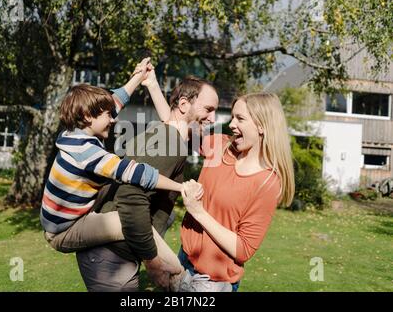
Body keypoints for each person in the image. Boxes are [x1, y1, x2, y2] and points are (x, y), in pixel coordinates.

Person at [75, 71, 222, 292]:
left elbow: (170, 119)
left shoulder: (162, 132)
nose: (213, 119)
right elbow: (131, 198)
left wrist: (153, 85)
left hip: (109, 252)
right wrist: (152, 263)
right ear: (184, 104)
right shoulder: (171, 144)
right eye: (208, 110)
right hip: (111, 257)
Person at [40, 58, 201, 252]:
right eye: (108, 115)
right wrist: (180, 187)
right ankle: (174, 274)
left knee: (150, 218)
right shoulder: (88, 153)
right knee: (131, 223)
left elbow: (116, 100)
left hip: (63, 220)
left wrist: (140, 77)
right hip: (64, 232)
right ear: (87, 116)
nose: (114, 119)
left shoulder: (74, 132)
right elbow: (138, 174)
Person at [179, 92, 295, 291]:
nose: (231, 124)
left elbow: (243, 249)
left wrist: (198, 212)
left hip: (212, 282)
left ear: (262, 126)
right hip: (183, 261)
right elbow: (177, 126)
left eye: (240, 118)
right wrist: (152, 85)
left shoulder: (267, 183)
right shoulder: (222, 146)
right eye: (233, 117)